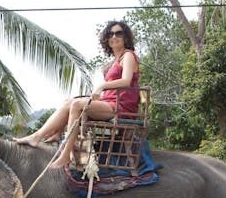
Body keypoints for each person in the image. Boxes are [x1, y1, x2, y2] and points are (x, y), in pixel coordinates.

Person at [15, 21, 141, 169]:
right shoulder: (115, 61)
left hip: (120, 107)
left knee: (76, 104)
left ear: (125, 37)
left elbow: (126, 81)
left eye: (118, 33)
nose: (114, 36)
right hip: (109, 102)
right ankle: (40, 136)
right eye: (110, 34)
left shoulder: (128, 55)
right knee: (69, 101)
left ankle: (65, 156)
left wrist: (102, 86)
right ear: (107, 39)